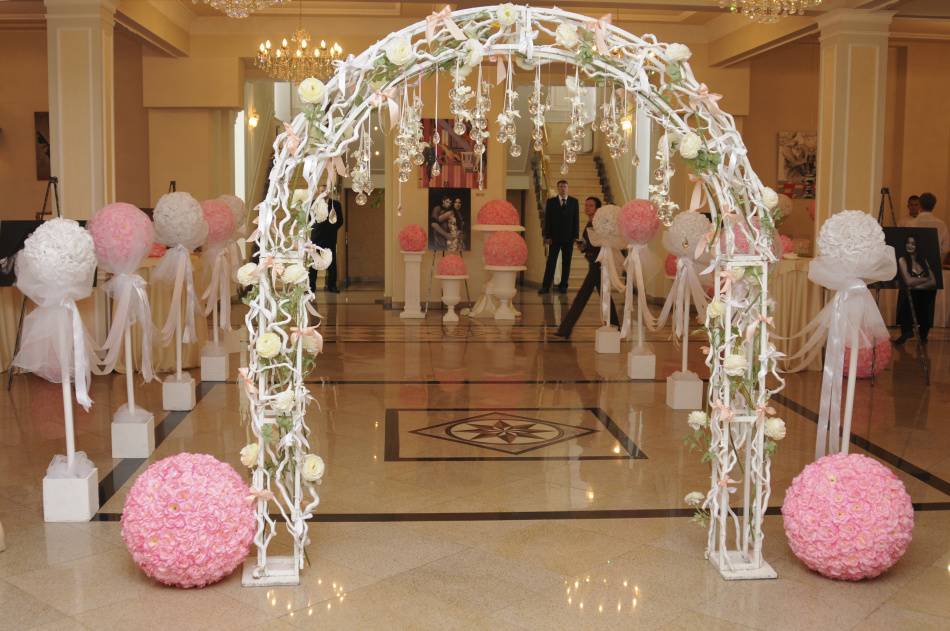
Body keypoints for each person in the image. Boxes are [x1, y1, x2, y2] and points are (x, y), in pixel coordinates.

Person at [553, 197, 619, 338]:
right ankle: (616, 325)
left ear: (597, 208)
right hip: (594, 263)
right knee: (604, 295)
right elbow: (591, 244)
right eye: (586, 205)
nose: (587, 207)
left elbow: (601, 244)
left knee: (582, 297)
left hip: (598, 264)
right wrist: (582, 246)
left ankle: (565, 329)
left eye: (591, 205)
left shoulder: (599, 224)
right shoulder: (591, 222)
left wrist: (587, 247)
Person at [895, 234, 937, 345]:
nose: (909, 245)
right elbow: (908, 281)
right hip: (910, 295)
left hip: (924, 295)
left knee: (927, 299)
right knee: (907, 294)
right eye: (908, 243)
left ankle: (923, 335)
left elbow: (933, 282)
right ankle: (907, 332)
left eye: (913, 244)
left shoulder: (924, 260)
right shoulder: (902, 260)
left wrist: (916, 286)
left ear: (917, 245)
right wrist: (926, 279)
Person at [540, 179, 579, 294]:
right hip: (554, 238)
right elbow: (547, 220)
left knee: (566, 263)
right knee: (551, 262)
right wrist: (547, 236)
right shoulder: (551, 202)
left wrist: (575, 235)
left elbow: (576, 219)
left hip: (569, 238)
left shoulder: (574, 202)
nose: (563, 188)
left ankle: (563, 286)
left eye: (565, 186)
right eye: (561, 186)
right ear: (558, 188)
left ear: (567, 188)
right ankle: (545, 286)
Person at [310, 184, 344, 293]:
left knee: (331, 262)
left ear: (328, 192)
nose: (323, 193)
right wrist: (315, 227)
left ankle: (332, 286)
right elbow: (309, 219)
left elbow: (340, 221)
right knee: (313, 263)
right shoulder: (313, 203)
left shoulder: (336, 204)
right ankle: (311, 287)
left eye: (325, 191)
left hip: (330, 237)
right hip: (316, 237)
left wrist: (331, 229)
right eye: (321, 191)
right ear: (318, 192)